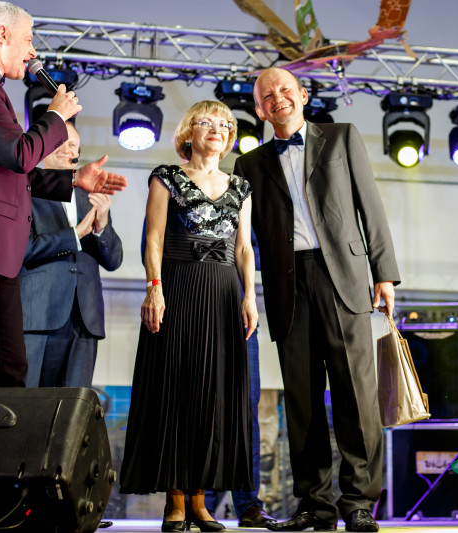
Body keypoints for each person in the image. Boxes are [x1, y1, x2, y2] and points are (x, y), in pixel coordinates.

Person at [0, 1, 126, 388]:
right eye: (29, 39)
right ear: (2, 34)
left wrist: (74, 180)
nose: (33, 52)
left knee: (11, 371)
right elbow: (19, 154)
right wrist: (56, 116)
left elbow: (12, 173)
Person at [233, 67, 400, 533]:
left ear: (303, 95)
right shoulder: (249, 164)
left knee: (356, 397)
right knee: (302, 403)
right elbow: (244, 239)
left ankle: (358, 502)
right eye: (268, 95)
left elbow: (371, 207)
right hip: (286, 285)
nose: (278, 98)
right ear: (260, 109)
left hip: (344, 276)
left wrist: (385, 274)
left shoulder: (341, 137)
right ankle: (315, 504)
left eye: (285, 89)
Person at [120, 100, 258, 532]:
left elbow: (243, 248)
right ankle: (175, 501)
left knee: (214, 394)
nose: (217, 128)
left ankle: (200, 501)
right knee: (175, 391)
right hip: (177, 288)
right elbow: (154, 238)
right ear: (188, 132)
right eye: (206, 121)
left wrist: (250, 296)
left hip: (223, 294)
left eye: (225, 124)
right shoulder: (166, 176)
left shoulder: (241, 186)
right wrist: (154, 287)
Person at [20, 121, 123, 388]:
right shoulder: (25, 189)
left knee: (74, 405)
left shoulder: (91, 195)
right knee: (26, 401)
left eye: (74, 145)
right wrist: (75, 234)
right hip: (39, 314)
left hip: (85, 319)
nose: (68, 150)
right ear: (43, 148)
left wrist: (102, 226)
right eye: (60, 143)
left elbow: (114, 261)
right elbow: (23, 249)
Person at [205, 234, 276, 529]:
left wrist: (223, 253)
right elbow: (152, 245)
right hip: (195, 306)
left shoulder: (244, 204)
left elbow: (259, 250)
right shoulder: (172, 200)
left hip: (239, 314)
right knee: (202, 408)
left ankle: (247, 503)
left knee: (246, 411)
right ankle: (202, 502)